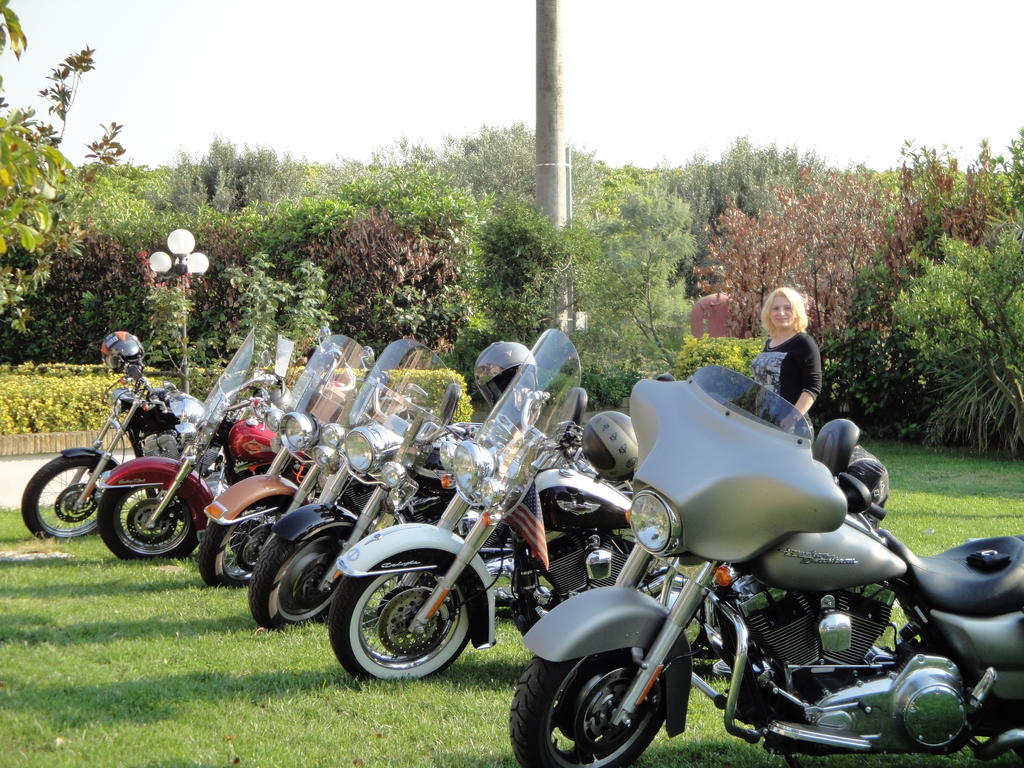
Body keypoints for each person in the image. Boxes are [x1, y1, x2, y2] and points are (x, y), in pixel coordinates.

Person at [751, 287, 821, 418]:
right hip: (763, 420)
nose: (781, 313)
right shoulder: (769, 343)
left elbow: (812, 387)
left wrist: (791, 420)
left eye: (787, 308)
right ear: (769, 312)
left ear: (796, 311)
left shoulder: (804, 342)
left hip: (789, 425)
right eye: (775, 308)